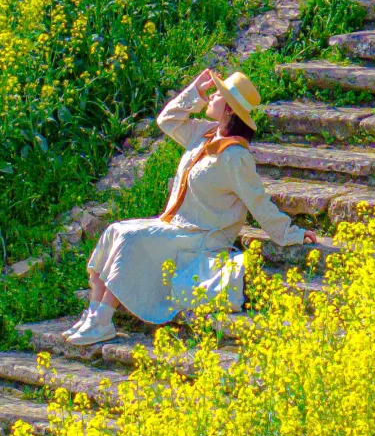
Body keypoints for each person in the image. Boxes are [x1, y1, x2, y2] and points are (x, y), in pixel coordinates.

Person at [64, 67, 319, 346]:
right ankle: (93, 315)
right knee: (115, 230)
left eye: (217, 95)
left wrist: (290, 233)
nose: (211, 96)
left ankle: (103, 320)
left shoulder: (235, 156)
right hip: (174, 226)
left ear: (230, 110)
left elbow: (259, 202)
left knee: (131, 239)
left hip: (202, 237)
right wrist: (195, 90)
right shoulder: (204, 133)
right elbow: (168, 120)